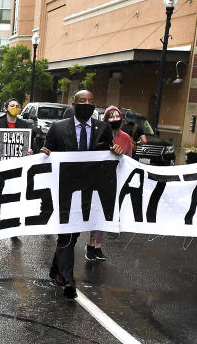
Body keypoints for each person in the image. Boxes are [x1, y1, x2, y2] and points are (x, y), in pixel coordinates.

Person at [41, 89, 125, 300]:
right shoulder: (58, 129)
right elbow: (45, 151)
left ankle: (55, 270)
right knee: (67, 233)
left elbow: (106, 155)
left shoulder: (103, 129)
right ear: (74, 105)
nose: (87, 104)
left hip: (88, 192)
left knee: (74, 233)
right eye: (82, 101)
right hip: (65, 190)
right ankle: (69, 280)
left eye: (91, 101)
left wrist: (115, 150)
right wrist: (44, 154)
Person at [85, 105, 133, 262]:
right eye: (110, 117)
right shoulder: (98, 134)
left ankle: (99, 246)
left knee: (107, 214)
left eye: (117, 116)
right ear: (105, 119)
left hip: (115, 181)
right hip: (98, 179)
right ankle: (90, 245)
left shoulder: (126, 138)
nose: (114, 119)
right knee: (96, 213)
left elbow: (129, 161)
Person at [0, 98, 36, 163]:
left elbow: (27, 145)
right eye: (12, 106)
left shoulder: (24, 124)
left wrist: (29, 152)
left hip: (18, 164)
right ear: (6, 109)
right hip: (1, 163)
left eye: (17, 106)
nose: (15, 108)